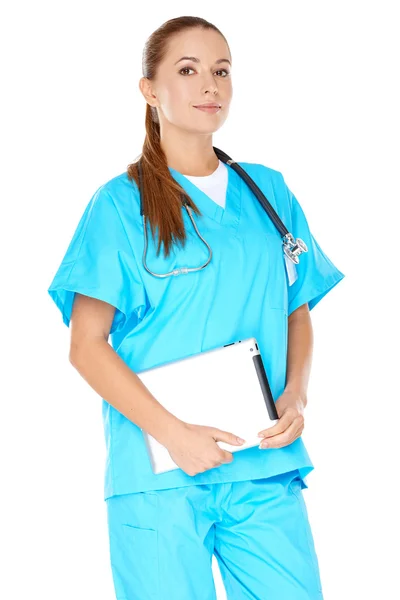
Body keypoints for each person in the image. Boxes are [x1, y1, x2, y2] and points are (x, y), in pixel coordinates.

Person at [47, 15, 345, 600]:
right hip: (158, 470)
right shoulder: (118, 204)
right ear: (150, 90)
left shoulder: (268, 192)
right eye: (188, 71)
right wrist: (174, 434)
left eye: (221, 71)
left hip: (261, 460)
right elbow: (86, 346)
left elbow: (297, 307)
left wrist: (296, 394)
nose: (210, 85)